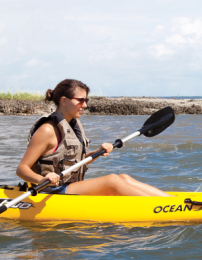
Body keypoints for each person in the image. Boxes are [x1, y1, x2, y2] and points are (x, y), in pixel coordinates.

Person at [16, 79, 173, 197]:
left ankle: (171, 200)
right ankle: (162, 208)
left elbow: (75, 161)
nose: (85, 105)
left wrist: (97, 152)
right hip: (51, 190)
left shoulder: (72, 125)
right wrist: (42, 179)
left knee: (123, 177)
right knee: (111, 180)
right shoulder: (47, 130)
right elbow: (22, 169)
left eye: (86, 100)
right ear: (64, 101)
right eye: (80, 100)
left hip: (69, 186)